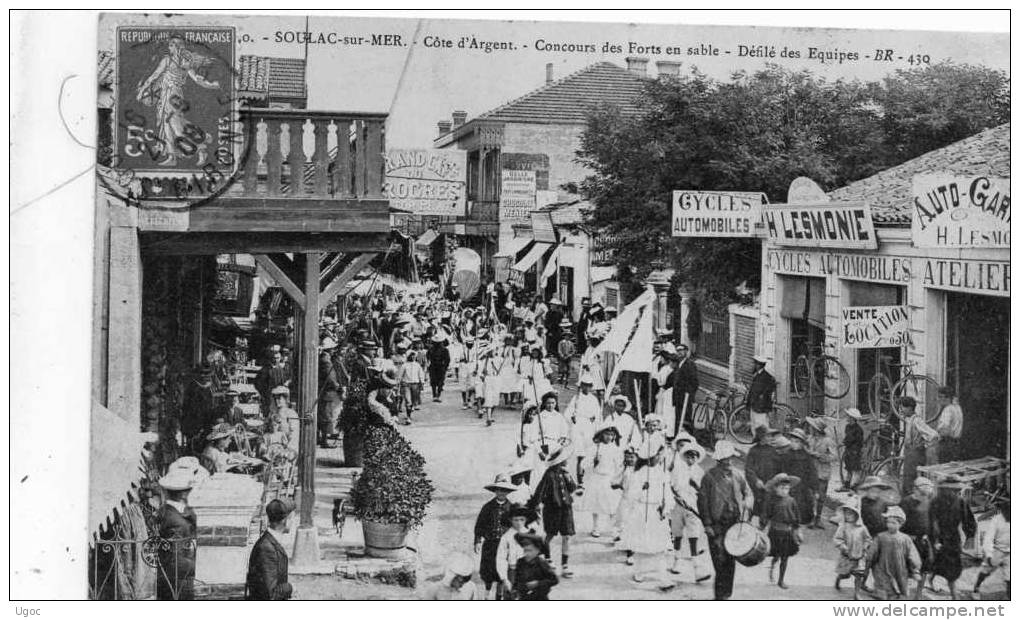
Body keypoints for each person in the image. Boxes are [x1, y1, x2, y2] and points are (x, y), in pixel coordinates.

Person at [698, 440, 752, 601]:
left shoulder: (737, 475)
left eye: (730, 458)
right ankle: (719, 597)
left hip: (734, 524)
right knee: (720, 562)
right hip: (717, 525)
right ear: (718, 460)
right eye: (725, 459)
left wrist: (747, 506)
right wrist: (707, 524)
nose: (729, 462)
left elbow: (748, 493)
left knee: (731, 560)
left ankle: (727, 595)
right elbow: (702, 502)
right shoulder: (709, 477)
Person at [621, 436, 674, 590]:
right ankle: (639, 571)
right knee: (641, 543)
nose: (660, 458)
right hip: (641, 510)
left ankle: (663, 577)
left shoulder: (662, 473)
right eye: (658, 455)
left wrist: (666, 507)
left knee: (659, 547)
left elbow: (667, 493)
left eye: (660, 455)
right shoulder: (638, 473)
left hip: (657, 512)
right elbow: (630, 496)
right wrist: (640, 489)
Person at [155, 457, 208, 600]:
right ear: (185, 494)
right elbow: (176, 561)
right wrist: (203, 565)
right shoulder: (176, 522)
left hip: (174, 581)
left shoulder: (170, 510)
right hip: (178, 585)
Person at [527, 445, 577, 578]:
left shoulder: (564, 472)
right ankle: (548, 559)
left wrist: (569, 477)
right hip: (552, 509)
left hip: (566, 508)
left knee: (567, 536)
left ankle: (565, 565)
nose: (567, 461)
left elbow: (572, 488)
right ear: (559, 461)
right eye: (565, 459)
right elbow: (539, 491)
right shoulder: (549, 474)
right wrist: (534, 506)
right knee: (550, 535)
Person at [669, 441, 711, 582]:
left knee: (693, 536)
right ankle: (677, 560)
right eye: (689, 456)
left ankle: (697, 568)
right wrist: (676, 498)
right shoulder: (677, 470)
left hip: (693, 507)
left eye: (694, 457)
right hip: (678, 506)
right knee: (678, 534)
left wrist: (696, 485)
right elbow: (671, 486)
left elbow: (703, 491)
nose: (691, 459)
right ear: (684, 457)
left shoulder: (699, 472)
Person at [929, 476, 977, 600]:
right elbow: (932, 522)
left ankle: (949, 586)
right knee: (936, 562)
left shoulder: (960, 501)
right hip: (939, 537)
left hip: (954, 537)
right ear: (944, 490)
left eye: (957, 490)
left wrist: (970, 537)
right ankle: (953, 593)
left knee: (953, 565)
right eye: (952, 490)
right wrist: (935, 540)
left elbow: (968, 520)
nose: (955, 492)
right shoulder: (935, 501)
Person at [474, 473, 518, 599]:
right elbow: (479, 525)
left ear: (508, 492)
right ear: (495, 491)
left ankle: (499, 597)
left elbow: (515, 527)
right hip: (490, 545)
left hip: (504, 546)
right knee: (488, 572)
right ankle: (487, 594)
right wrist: (477, 540)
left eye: (504, 490)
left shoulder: (511, 508)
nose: (501, 493)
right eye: (499, 490)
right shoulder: (488, 507)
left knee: (501, 572)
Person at [867, 506, 922, 600]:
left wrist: (915, 569)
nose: (890, 525)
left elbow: (913, 554)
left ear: (900, 524)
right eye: (888, 522)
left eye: (893, 523)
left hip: (899, 567)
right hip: (883, 566)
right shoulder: (880, 537)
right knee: (883, 586)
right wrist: (869, 561)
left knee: (896, 590)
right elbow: (873, 551)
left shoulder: (905, 538)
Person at [579, 422, 624, 538]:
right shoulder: (595, 447)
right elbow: (583, 464)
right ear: (601, 434)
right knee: (596, 504)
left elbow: (619, 466)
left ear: (614, 436)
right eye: (606, 434)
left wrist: (617, 479)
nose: (609, 437)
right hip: (596, 478)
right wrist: (594, 461)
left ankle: (614, 529)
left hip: (609, 479)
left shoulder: (616, 449)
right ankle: (596, 527)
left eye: (611, 434)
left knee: (611, 505)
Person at [245, 498, 295, 600]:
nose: (293, 522)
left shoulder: (270, 541)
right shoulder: (266, 548)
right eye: (292, 518)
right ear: (286, 520)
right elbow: (270, 595)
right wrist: (289, 587)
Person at [762, 473, 803, 589]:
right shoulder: (771, 501)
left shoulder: (792, 501)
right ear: (775, 488)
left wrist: (798, 530)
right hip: (775, 532)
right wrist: (762, 526)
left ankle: (781, 580)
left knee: (785, 557)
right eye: (782, 488)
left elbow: (796, 518)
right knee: (776, 555)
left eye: (787, 488)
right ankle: (772, 566)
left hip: (787, 533)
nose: (785, 491)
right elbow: (766, 516)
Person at [900, 476, 936, 599]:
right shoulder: (906, 502)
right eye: (921, 494)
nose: (924, 497)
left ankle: (919, 594)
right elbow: (900, 521)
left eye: (926, 495)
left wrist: (934, 539)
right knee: (905, 566)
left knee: (925, 566)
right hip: (910, 540)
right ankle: (904, 593)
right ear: (915, 490)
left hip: (924, 540)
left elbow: (931, 521)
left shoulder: (928, 502)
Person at [495, 505, 542, 600]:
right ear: (510, 520)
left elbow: (538, 555)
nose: (519, 523)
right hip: (513, 572)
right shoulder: (506, 537)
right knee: (512, 596)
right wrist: (504, 579)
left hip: (528, 571)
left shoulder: (531, 535)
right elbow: (501, 558)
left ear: (526, 520)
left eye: (522, 519)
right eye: (516, 520)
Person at [899, 396, 939, 495]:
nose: (901, 410)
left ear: (909, 408)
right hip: (909, 453)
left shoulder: (917, 421)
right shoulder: (909, 420)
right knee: (907, 478)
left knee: (912, 479)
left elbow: (933, 435)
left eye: (903, 407)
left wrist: (925, 445)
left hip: (915, 454)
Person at [834, 497, 872, 600]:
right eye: (846, 514)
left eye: (851, 514)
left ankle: (857, 593)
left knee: (859, 574)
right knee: (845, 574)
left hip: (859, 555)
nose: (848, 516)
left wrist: (865, 546)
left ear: (857, 515)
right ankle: (839, 579)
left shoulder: (862, 528)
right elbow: (837, 539)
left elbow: (868, 539)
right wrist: (842, 546)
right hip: (846, 555)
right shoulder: (843, 527)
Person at [566, 375, 601, 485]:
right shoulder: (576, 398)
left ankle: (587, 476)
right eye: (585, 385)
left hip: (589, 427)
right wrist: (572, 417)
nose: (587, 388)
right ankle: (579, 478)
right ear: (581, 386)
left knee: (589, 452)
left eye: (589, 386)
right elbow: (568, 412)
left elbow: (598, 415)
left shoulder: (594, 399)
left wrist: (595, 420)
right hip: (578, 426)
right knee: (579, 453)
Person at [973, 499, 1010, 600]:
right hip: (997, 550)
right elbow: (988, 538)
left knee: (1009, 576)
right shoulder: (997, 520)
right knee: (986, 570)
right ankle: (976, 588)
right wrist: (989, 554)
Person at [745, 426, 784, 522]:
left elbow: (779, 466)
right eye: (768, 436)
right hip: (758, 485)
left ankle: (764, 521)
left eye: (771, 436)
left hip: (770, 483)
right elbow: (749, 469)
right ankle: (752, 520)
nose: (771, 438)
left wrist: (777, 479)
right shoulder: (753, 451)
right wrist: (755, 480)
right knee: (757, 503)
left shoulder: (773, 450)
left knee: (767, 505)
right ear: (762, 437)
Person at [805, 417, 838, 529]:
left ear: (817, 429)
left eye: (812, 427)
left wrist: (821, 456)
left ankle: (818, 519)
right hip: (811, 471)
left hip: (822, 472)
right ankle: (811, 518)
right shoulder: (810, 439)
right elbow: (805, 449)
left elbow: (834, 456)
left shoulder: (827, 441)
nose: (810, 428)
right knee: (811, 496)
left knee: (821, 497)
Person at [780, 428, 817, 525]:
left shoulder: (806, 456)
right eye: (792, 441)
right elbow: (782, 469)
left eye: (796, 442)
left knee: (803, 503)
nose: (793, 443)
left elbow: (812, 472)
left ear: (802, 443)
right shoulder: (786, 454)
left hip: (802, 485)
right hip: (790, 483)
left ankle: (801, 519)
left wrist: (814, 487)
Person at [512, 532, 559, 600]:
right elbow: (517, 580)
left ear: (537, 551)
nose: (527, 554)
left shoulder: (542, 563)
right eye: (525, 550)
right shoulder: (520, 562)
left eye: (530, 551)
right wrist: (515, 590)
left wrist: (538, 583)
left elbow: (554, 580)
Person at [670, 344, 699, 437]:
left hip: (685, 398)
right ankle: (677, 437)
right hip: (678, 397)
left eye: (681, 350)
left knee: (686, 419)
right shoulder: (678, 364)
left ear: (686, 351)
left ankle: (688, 437)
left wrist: (689, 395)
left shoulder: (690, 365)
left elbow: (694, 382)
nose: (679, 352)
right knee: (678, 418)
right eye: (677, 350)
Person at [745, 355, 777, 434]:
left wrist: (761, 399)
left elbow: (767, 391)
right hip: (755, 405)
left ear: (759, 365)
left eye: (755, 364)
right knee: (755, 425)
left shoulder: (766, 377)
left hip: (760, 407)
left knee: (761, 426)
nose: (753, 365)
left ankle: (763, 444)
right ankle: (757, 442)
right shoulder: (757, 375)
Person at [931, 386, 963, 463]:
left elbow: (944, 431)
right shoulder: (957, 407)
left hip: (947, 444)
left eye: (939, 397)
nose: (938, 400)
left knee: (944, 469)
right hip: (956, 443)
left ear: (945, 398)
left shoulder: (947, 410)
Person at [254, 348, 290, 416]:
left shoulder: (281, 369)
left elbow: (285, 380)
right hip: (268, 395)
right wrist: (264, 392)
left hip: (279, 395)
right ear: (271, 358)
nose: (276, 360)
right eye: (274, 358)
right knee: (269, 413)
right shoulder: (265, 369)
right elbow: (257, 382)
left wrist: (286, 383)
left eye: (278, 358)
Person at [841, 408, 865, 491]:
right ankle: (847, 485)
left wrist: (844, 443)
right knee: (848, 468)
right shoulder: (847, 427)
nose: (847, 417)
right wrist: (844, 442)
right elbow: (847, 438)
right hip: (848, 450)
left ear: (852, 418)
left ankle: (855, 485)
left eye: (848, 416)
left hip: (855, 451)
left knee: (856, 469)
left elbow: (855, 441)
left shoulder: (858, 429)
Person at [272, 386, 300, 453]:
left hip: (288, 450)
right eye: (275, 398)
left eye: (279, 398)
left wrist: (287, 450)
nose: (277, 401)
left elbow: (294, 435)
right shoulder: (273, 414)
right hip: (274, 448)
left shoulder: (292, 414)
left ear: (285, 399)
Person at [426, 333, 451, 403]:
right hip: (437, 366)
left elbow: (447, 359)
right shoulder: (433, 349)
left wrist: (445, 366)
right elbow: (447, 359)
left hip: (437, 366)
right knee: (436, 382)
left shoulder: (433, 349)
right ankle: (436, 395)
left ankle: (436, 395)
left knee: (437, 382)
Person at [400, 351, 425, 415]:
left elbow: (421, 374)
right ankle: (408, 416)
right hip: (406, 384)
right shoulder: (404, 365)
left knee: (414, 400)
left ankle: (411, 408)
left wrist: (422, 383)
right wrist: (399, 383)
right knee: (408, 400)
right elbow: (400, 375)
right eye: (411, 355)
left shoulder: (417, 365)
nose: (413, 357)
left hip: (415, 385)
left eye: (414, 356)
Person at [458, 336, 479, 411]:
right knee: (463, 385)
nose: (470, 345)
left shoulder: (475, 350)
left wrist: (476, 369)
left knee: (472, 384)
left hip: (472, 366)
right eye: (468, 344)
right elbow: (457, 358)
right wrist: (462, 359)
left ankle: (469, 398)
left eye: (471, 344)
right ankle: (464, 402)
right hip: (463, 367)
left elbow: (477, 360)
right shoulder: (461, 349)